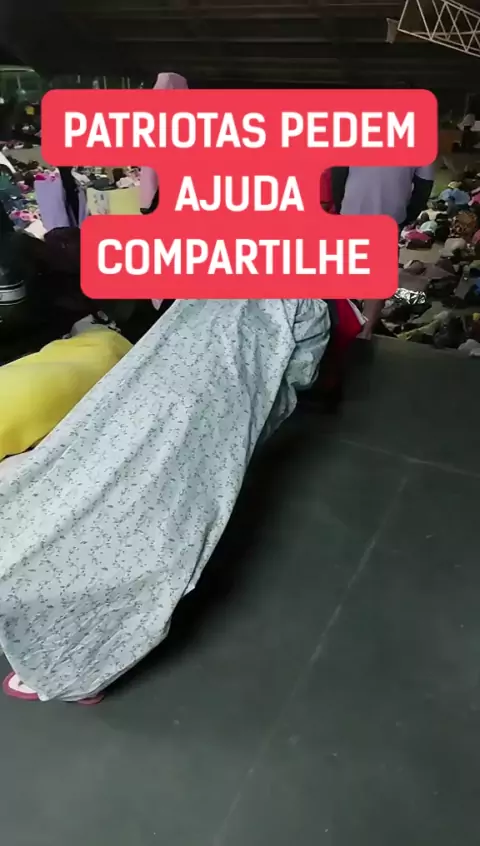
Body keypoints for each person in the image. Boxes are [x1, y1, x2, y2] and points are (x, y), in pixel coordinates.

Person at [0, 297, 330, 703]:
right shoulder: (309, 307)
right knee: (167, 518)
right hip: (216, 412)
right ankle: (80, 649)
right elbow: (298, 377)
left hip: (149, 393)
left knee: (89, 481)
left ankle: (46, 605)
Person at [332, 165, 435, 338]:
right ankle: (365, 331)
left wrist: (340, 205)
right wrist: (407, 215)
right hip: (391, 214)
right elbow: (424, 184)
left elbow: (338, 172)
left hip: (352, 207)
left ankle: (340, 326)